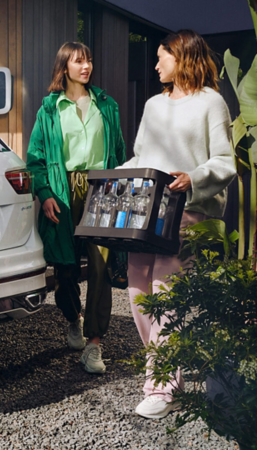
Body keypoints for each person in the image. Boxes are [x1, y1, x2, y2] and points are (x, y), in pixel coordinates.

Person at [119, 29, 236, 419]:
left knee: (165, 294)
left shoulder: (211, 103)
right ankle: (166, 372)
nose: (155, 65)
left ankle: (162, 388)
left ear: (182, 56)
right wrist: (104, 176)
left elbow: (224, 162)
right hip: (146, 211)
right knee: (138, 292)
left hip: (189, 210)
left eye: (160, 57)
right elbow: (140, 157)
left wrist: (192, 176)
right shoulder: (153, 105)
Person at [27, 42, 126, 374]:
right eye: (79, 61)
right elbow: (36, 159)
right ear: (64, 67)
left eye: (89, 60)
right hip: (64, 191)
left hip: (102, 188)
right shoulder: (49, 110)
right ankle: (74, 318)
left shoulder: (106, 105)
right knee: (66, 268)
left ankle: (95, 344)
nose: (86, 66)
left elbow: (120, 154)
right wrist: (45, 193)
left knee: (101, 265)